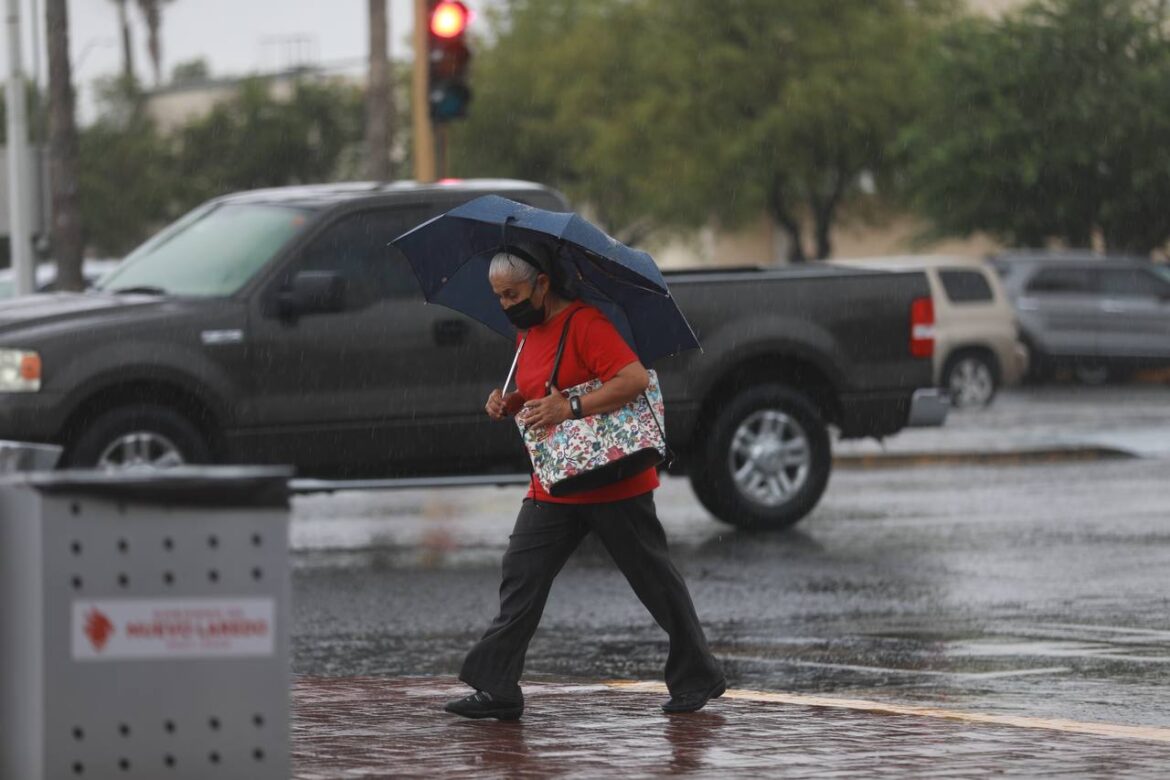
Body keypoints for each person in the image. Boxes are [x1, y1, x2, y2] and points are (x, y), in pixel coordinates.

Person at [444, 244, 725, 721]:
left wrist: (569, 408)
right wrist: (510, 403)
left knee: (655, 582)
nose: (506, 305)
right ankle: (497, 686)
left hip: (612, 480)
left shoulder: (586, 324)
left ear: (542, 284)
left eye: (512, 294)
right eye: (499, 297)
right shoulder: (527, 332)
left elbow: (633, 379)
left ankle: (697, 675)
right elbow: (542, 392)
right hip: (556, 481)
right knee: (521, 574)